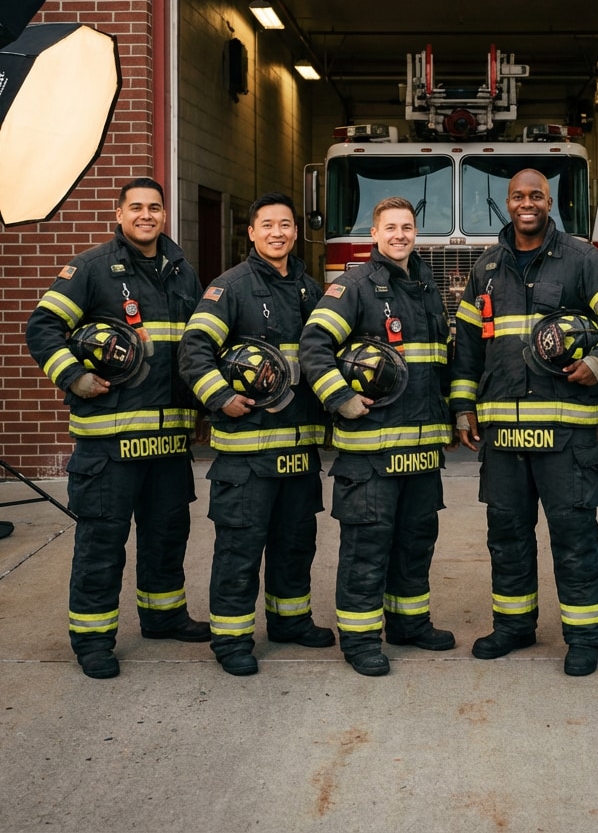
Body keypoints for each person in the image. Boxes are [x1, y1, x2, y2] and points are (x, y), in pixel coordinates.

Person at [452, 169, 598, 677]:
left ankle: (583, 638)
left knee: (573, 536)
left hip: (565, 436)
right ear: (507, 202)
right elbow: (468, 346)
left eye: (536, 195)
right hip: (503, 436)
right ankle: (514, 627)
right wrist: (463, 406)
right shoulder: (486, 267)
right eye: (518, 196)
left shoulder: (582, 258)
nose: (527, 203)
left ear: (549, 200)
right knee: (507, 535)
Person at [25, 178, 207, 679]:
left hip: (169, 443)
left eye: (155, 207)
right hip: (109, 444)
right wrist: (73, 375)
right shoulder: (91, 268)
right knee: (102, 543)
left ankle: (164, 615)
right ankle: (92, 639)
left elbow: (192, 348)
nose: (146, 215)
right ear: (120, 212)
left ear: (164, 215)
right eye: (137, 208)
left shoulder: (182, 271)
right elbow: (41, 327)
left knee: (167, 535)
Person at [178, 193, 334, 676]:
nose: (278, 233)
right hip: (247, 456)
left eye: (285, 225)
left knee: (295, 543)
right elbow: (193, 350)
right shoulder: (230, 288)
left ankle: (290, 622)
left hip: (298, 452)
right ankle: (231, 640)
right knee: (240, 549)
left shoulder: (311, 292)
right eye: (267, 225)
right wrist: (220, 397)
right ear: (251, 232)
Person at [300, 196, 455, 677]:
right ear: (375, 234)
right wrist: (340, 398)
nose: (400, 236)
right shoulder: (353, 286)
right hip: (370, 455)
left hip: (421, 452)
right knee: (367, 548)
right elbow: (314, 346)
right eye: (390, 228)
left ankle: (408, 624)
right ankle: (361, 639)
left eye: (407, 228)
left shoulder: (427, 287)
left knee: (415, 542)